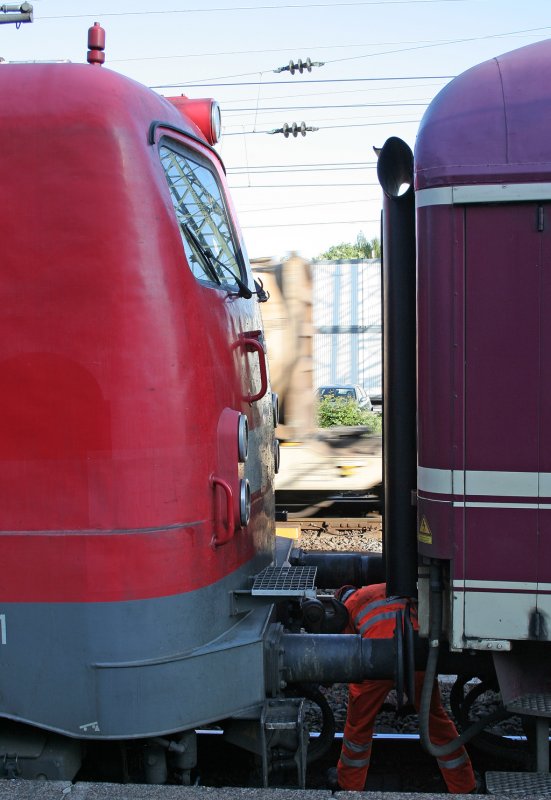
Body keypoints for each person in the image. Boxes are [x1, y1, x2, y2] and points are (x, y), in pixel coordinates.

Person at [333, 583, 477, 794]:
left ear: (341, 598)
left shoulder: (349, 605)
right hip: (415, 656)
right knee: (436, 723)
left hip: (372, 662)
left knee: (358, 727)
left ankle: (349, 786)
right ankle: (464, 785)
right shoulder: (386, 587)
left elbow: (351, 656)